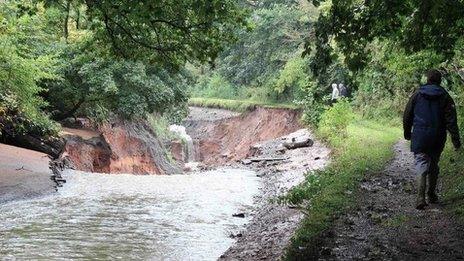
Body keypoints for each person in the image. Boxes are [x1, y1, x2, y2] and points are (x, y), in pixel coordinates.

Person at [403, 69, 461, 210]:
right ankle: (431, 194)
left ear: (427, 79)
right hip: (437, 135)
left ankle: (420, 197)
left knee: (421, 162)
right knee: (434, 163)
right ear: (440, 80)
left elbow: (407, 114)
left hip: (420, 135)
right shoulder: (445, 96)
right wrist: (456, 140)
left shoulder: (417, 94)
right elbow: (451, 120)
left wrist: (407, 132)